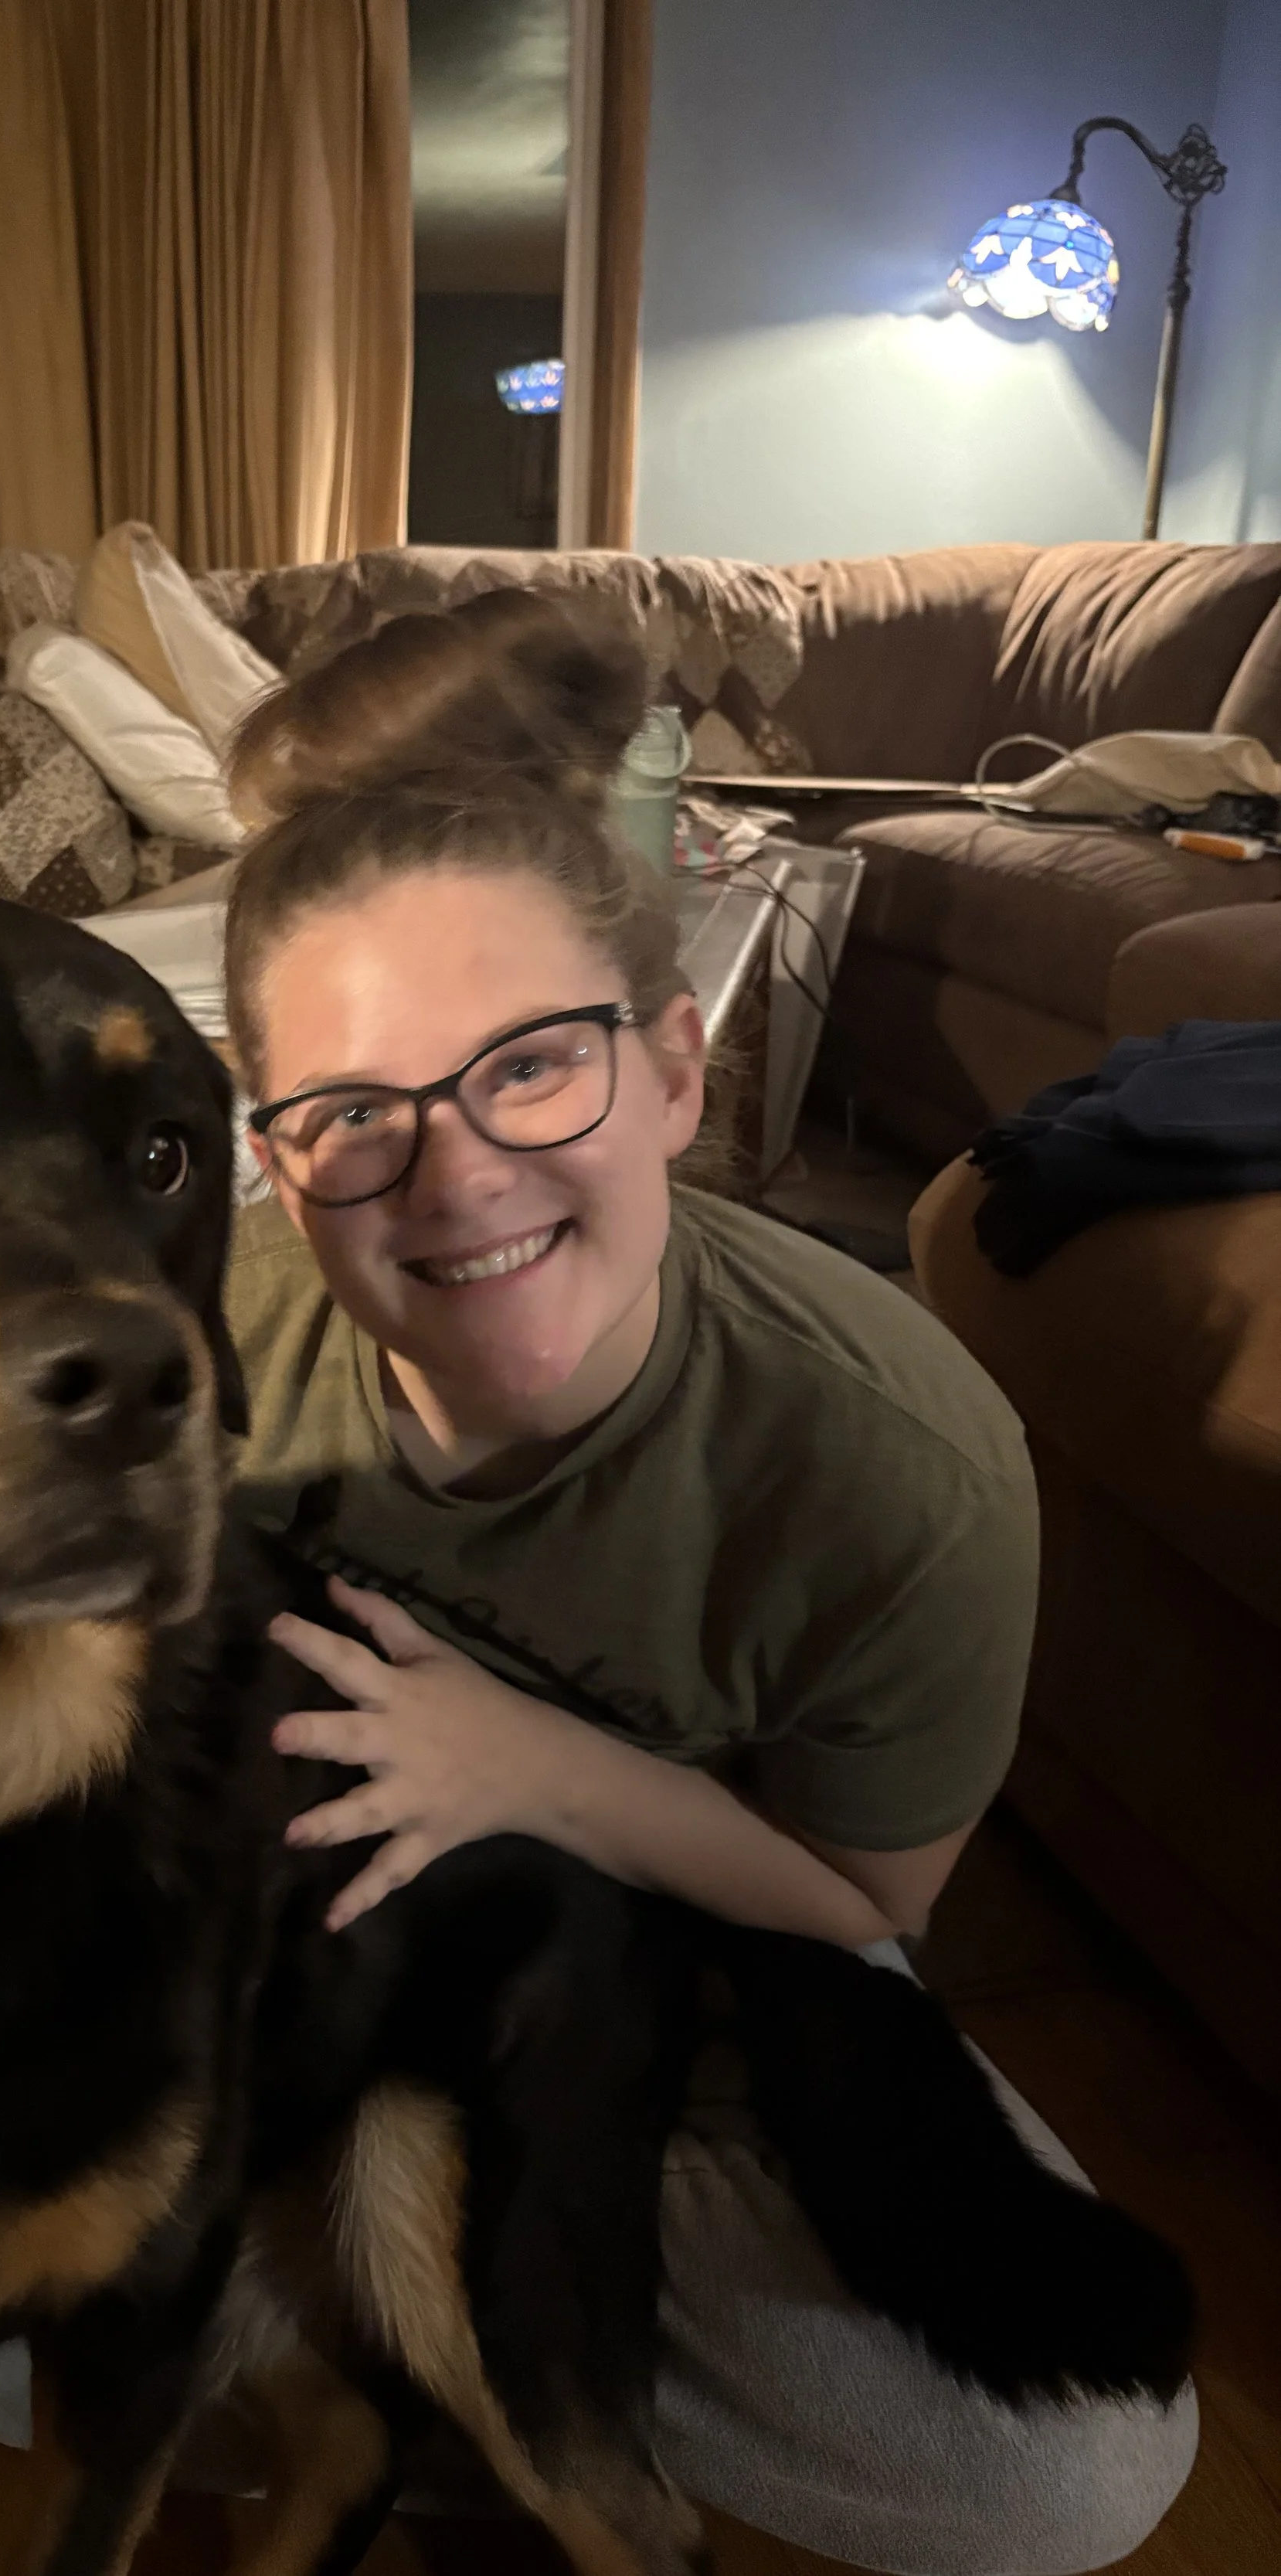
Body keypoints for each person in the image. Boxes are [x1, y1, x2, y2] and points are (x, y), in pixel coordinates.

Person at [209, 587, 1197, 2574]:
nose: (458, 1171)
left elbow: (860, 1903)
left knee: (1067, 2474)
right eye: (350, 1117)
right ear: (268, 1154)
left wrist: (523, 1760)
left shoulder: (899, 1462)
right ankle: (410, 2347)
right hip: (286, 1998)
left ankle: (389, 2352)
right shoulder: (204, 1362)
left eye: (533, 1069)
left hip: (708, 1975)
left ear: (673, 1068)